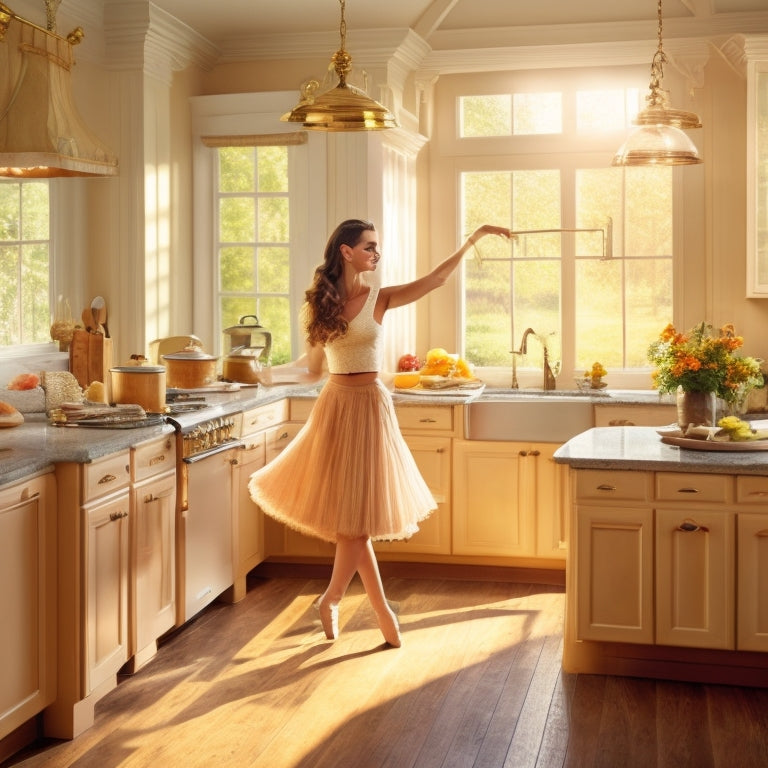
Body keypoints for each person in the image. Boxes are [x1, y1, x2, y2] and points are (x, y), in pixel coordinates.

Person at [248, 218, 511, 647]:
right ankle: (370, 608)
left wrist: (474, 238)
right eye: (369, 246)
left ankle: (338, 600)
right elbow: (311, 370)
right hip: (335, 407)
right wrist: (265, 375)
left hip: (370, 407)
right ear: (346, 251)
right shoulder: (320, 303)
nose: (376, 253)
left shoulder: (379, 297)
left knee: (356, 522)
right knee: (354, 523)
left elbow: (436, 279)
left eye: (378, 247)